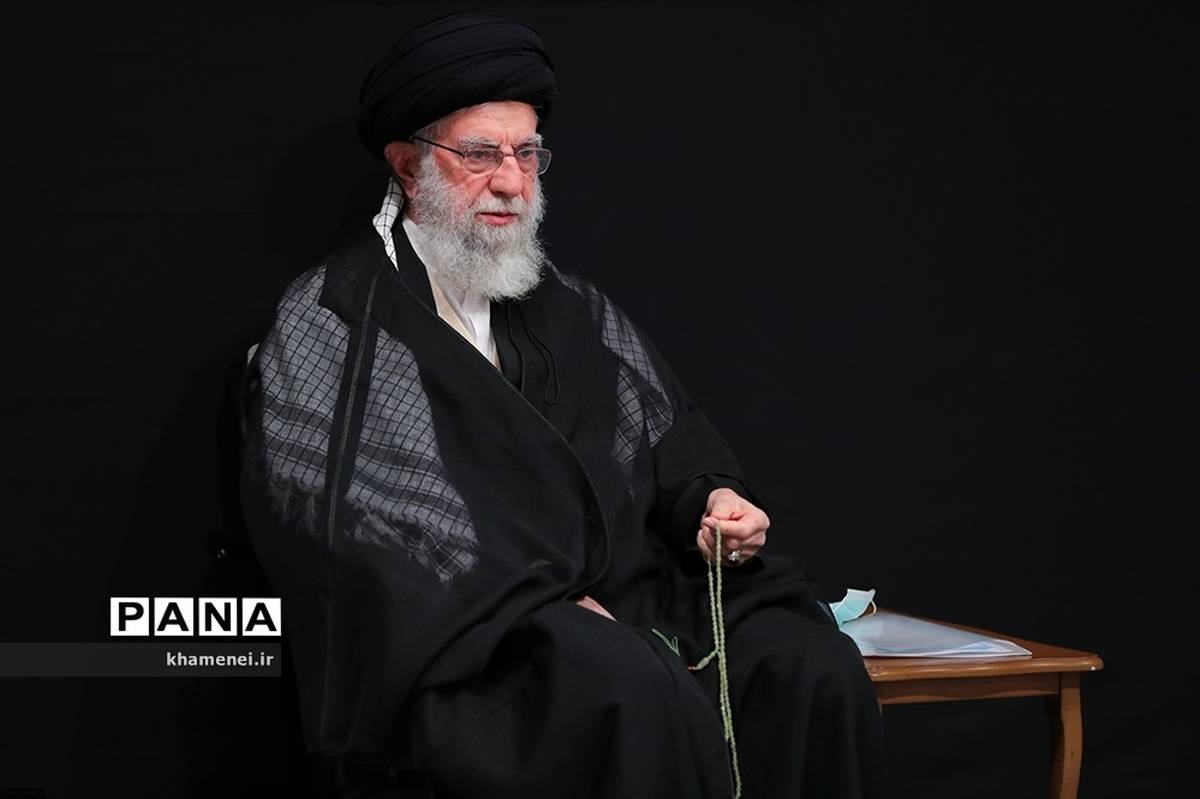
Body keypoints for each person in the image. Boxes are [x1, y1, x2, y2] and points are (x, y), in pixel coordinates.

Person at [239, 10, 891, 798]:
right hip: (471, 636)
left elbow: (670, 437)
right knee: (622, 684)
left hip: (622, 599)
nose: (512, 182)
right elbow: (342, 516)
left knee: (808, 665)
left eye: (527, 154)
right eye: (481, 154)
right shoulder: (333, 316)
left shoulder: (571, 306)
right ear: (409, 166)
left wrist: (712, 499)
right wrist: (533, 597)